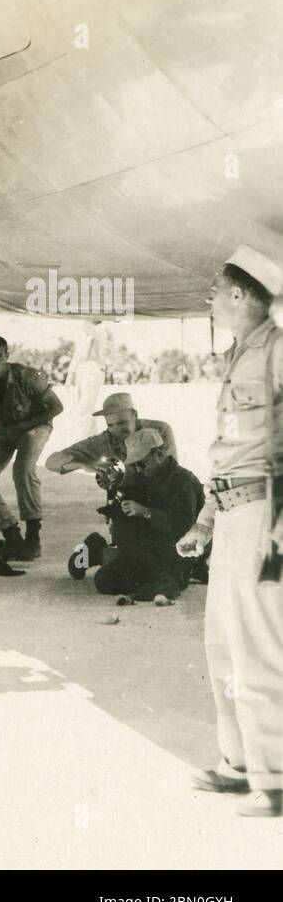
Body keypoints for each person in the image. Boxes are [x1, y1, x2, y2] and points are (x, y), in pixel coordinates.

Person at [177, 246, 283, 818]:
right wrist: (203, 522)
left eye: (216, 290)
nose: (210, 299)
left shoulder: (277, 351)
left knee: (259, 646)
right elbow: (230, 456)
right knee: (222, 645)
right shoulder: (240, 353)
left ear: (241, 295)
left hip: (265, 517)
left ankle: (277, 780)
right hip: (234, 514)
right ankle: (238, 764)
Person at [0, 335, 64, 560]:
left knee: (23, 470)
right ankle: (12, 536)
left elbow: (57, 407)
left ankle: (33, 536)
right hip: (7, 427)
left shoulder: (27, 376)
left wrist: (22, 425)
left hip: (36, 425)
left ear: (7, 356)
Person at [93, 429, 201, 603]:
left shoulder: (183, 481)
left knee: (167, 584)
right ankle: (98, 550)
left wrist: (147, 512)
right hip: (150, 548)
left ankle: (104, 554)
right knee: (104, 581)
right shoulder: (146, 476)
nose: (138, 470)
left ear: (159, 455)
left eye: (142, 464)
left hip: (178, 549)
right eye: (134, 466)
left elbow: (183, 527)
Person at [45, 391, 177, 473]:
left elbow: (174, 471)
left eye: (122, 423)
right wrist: (82, 464)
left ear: (135, 415)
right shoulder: (102, 441)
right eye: (110, 425)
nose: (117, 430)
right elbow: (51, 462)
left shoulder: (160, 429)